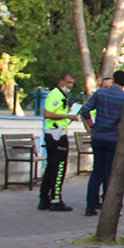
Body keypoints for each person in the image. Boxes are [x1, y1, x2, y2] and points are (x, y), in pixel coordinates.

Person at [80, 70, 124, 217]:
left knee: (96, 171)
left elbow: (85, 110)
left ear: (113, 80)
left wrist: (92, 125)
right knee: (110, 172)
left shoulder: (100, 94)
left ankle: (90, 206)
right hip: (113, 138)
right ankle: (108, 206)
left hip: (98, 136)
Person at [39, 72, 78, 211]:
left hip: (56, 132)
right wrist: (66, 115)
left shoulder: (61, 96)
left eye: (72, 83)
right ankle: (55, 199)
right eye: (68, 83)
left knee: (51, 167)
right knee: (59, 167)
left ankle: (44, 198)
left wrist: (68, 117)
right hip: (56, 135)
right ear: (61, 81)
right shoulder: (56, 95)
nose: (70, 86)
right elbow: (47, 114)